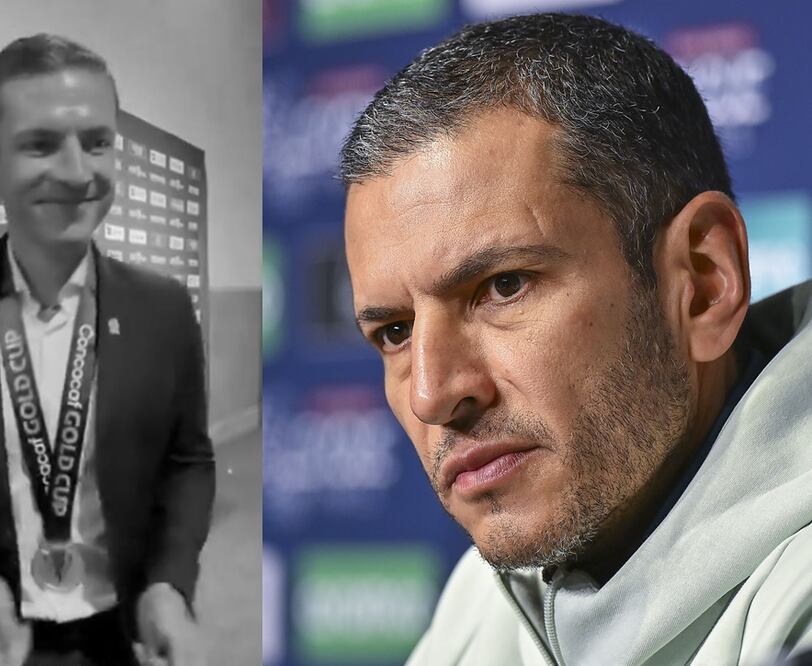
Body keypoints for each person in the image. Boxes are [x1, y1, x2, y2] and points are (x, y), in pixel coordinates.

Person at [341, 13, 812, 666]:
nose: (431, 394)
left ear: (702, 285)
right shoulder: (485, 599)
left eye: (503, 286)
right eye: (394, 331)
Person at [0, 34, 213, 666]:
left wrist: (170, 585)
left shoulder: (163, 308)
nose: (77, 172)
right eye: (40, 144)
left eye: (97, 141)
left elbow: (189, 459)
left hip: (125, 636)